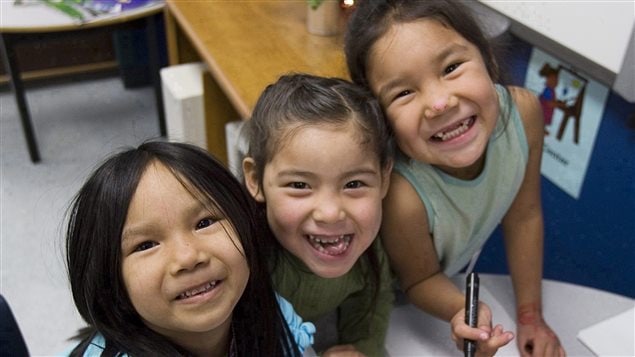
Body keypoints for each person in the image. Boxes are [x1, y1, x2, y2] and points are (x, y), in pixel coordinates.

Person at [344, 1, 565, 357]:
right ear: (381, 120)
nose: (440, 102)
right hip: (368, 309)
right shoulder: (402, 194)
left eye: (451, 67)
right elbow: (418, 280)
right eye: (403, 93)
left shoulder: (523, 114)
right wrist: (462, 311)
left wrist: (530, 316)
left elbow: (524, 216)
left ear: (488, 61)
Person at [64, 141, 313, 356]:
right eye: (146, 245)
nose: (188, 257)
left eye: (204, 223)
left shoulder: (270, 312)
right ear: (109, 282)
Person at [242, 73, 395, 356]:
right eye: (299, 185)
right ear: (256, 180)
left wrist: (363, 349)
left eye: (354, 184)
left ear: (384, 179)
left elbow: (372, 306)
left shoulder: (369, 252)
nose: (330, 213)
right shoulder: (242, 259)